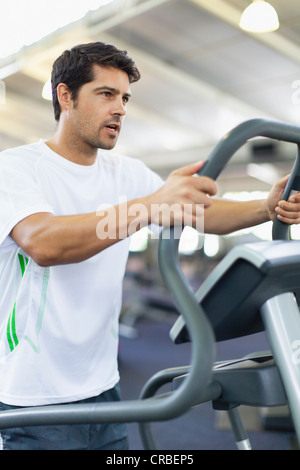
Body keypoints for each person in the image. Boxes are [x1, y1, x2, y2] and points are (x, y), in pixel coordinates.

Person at [0, 41, 299, 451]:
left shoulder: (127, 173)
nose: (120, 108)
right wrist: (151, 205)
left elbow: (200, 213)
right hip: (34, 398)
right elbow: (42, 242)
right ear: (64, 95)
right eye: (105, 94)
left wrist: (264, 207)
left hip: (104, 389)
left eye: (124, 97)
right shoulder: (15, 168)